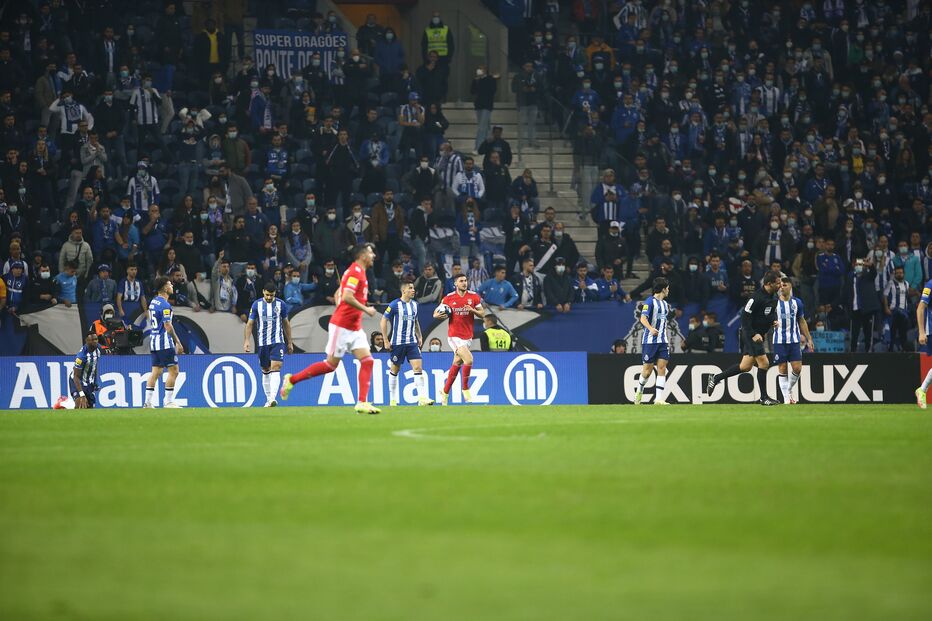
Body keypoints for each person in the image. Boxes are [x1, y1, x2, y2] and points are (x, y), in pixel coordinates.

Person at [280, 244, 381, 415]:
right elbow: (347, 296)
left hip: (354, 327)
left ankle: (362, 402)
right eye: (370, 252)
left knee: (368, 361)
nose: (373, 255)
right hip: (341, 326)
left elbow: (339, 293)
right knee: (330, 365)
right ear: (362, 255)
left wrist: (342, 302)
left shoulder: (357, 272)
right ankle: (292, 379)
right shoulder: (355, 272)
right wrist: (366, 309)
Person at [706, 271, 782, 406]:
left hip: (759, 336)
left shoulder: (774, 297)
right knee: (764, 363)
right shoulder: (755, 298)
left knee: (745, 366)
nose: (780, 285)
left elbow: (770, 313)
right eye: (777, 283)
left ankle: (716, 378)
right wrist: (753, 334)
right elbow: (744, 319)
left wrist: (774, 321)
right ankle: (763, 398)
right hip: (750, 335)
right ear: (769, 284)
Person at [380, 282, 433, 407]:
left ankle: (422, 398)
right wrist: (386, 340)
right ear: (403, 291)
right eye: (410, 288)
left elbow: (415, 321)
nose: (413, 290)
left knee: (418, 368)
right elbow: (383, 321)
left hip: (412, 343)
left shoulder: (415, 305)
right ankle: (393, 400)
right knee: (395, 369)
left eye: (413, 288)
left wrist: (419, 336)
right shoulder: (394, 304)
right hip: (397, 343)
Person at [434, 273, 484, 405]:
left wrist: (473, 311)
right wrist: (440, 316)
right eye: (461, 281)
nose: (464, 283)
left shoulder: (474, 296)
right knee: (469, 359)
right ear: (455, 284)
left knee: (457, 363)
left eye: (466, 280)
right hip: (454, 336)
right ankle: (465, 389)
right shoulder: (449, 298)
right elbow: (435, 313)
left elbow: (483, 314)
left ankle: (444, 393)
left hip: (468, 336)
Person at [243, 283, 293, 408]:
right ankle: (268, 399)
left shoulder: (281, 304)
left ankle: (272, 399)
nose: (269, 297)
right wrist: (247, 341)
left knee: (276, 367)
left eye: (271, 295)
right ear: (263, 291)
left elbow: (286, 323)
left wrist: (290, 342)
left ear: (275, 293)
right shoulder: (256, 305)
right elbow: (250, 323)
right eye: (267, 295)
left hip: (278, 341)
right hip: (262, 343)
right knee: (265, 370)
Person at [144, 276, 184, 409]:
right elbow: (168, 326)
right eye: (170, 284)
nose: (172, 285)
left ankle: (147, 403)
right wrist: (177, 342)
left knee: (155, 371)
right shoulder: (165, 305)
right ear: (165, 288)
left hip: (154, 341)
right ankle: (168, 402)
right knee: (174, 371)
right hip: (164, 342)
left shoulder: (153, 302)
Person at [773, 277, 813, 405]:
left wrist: (809, 338)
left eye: (784, 285)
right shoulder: (774, 303)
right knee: (782, 368)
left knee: (797, 368)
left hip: (794, 340)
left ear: (790, 286)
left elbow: (801, 321)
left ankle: (788, 390)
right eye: (780, 285)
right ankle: (786, 398)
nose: (782, 287)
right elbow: (766, 318)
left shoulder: (797, 303)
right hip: (779, 340)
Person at [633, 277, 671, 406]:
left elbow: (664, 323)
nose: (668, 290)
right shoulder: (649, 302)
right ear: (663, 289)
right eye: (667, 288)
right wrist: (650, 329)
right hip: (650, 342)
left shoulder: (666, 305)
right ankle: (639, 390)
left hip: (662, 341)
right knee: (647, 372)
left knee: (662, 368)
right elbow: (643, 319)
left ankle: (658, 399)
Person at [70, 331, 102, 409]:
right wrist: (81, 394)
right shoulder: (81, 356)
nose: (95, 341)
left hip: (89, 382)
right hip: (77, 382)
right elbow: (76, 376)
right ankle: (63, 405)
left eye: (96, 339)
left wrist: (95, 381)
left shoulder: (98, 349)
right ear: (87, 341)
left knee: (91, 408)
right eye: (92, 340)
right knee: (80, 406)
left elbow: (94, 366)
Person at [915, 273, 932, 409]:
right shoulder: (930, 285)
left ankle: (922, 390)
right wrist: (921, 332)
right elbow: (920, 308)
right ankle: (922, 389)